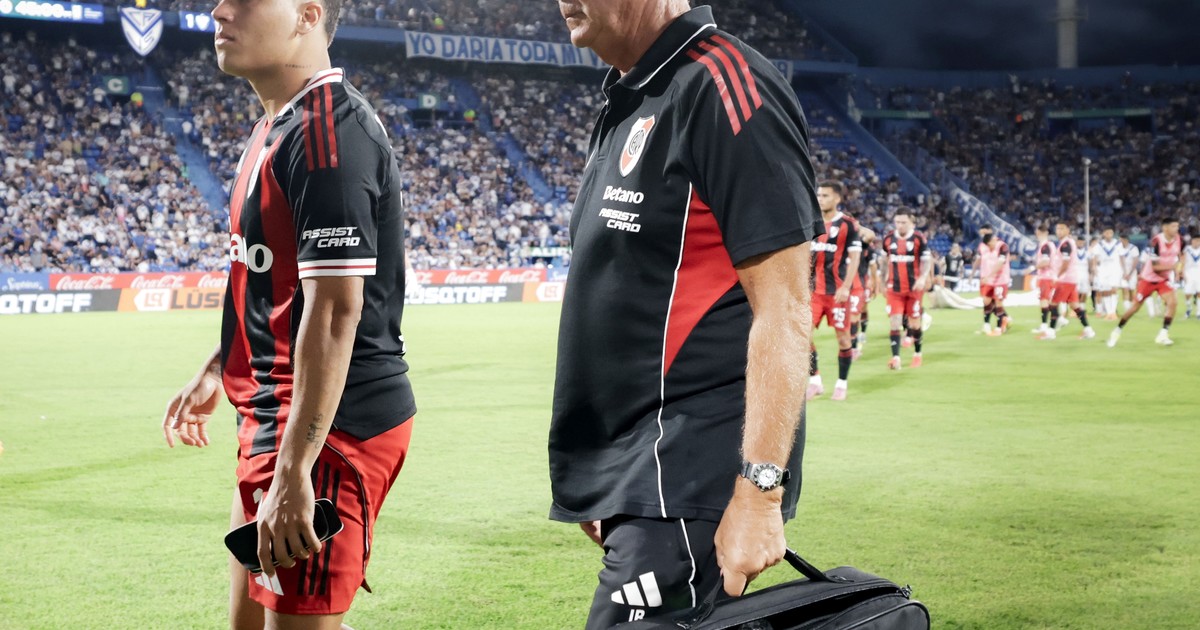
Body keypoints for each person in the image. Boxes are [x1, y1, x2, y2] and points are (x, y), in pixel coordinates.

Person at [548, 2, 821, 627]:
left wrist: (760, 493)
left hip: (689, 472)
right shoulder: (632, 92)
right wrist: (607, 476)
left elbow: (784, 308)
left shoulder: (725, 86)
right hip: (638, 474)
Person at [160, 0, 417, 627]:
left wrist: (297, 467)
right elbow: (267, 279)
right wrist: (219, 366)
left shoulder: (330, 135)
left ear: (307, 15)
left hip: (330, 432)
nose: (219, 11)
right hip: (274, 419)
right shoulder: (277, 126)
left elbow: (334, 312)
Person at [807, 181, 862, 401]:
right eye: (819, 195)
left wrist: (846, 287)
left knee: (843, 339)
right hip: (813, 293)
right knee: (803, 337)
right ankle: (815, 380)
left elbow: (855, 257)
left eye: (825, 196)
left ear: (837, 198)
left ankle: (841, 383)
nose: (820, 199)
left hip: (837, 293)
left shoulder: (848, 225)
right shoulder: (811, 220)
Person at [1108, 218, 1184, 347]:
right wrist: (1173, 267)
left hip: (1163, 279)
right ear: (1165, 228)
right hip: (1148, 278)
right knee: (1134, 308)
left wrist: (1180, 267)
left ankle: (1163, 334)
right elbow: (1155, 268)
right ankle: (1117, 330)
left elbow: (1182, 254)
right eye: (1173, 226)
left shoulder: (1179, 239)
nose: (1176, 229)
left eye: (1177, 226)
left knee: (1173, 302)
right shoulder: (1156, 241)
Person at [880, 209, 931, 369]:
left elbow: (926, 261)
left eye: (904, 222)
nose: (900, 225)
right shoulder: (888, 238)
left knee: (915, 324)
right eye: (897, 222)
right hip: (894, 289)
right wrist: (881, 282)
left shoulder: (918, 238)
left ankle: (917, 354)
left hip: (913, 289)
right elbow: (884, 261)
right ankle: (896, 358)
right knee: (894, 323)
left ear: (911, 223)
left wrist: (922, 278)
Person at [1040, 222, 1094, 340]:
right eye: (1057, 229)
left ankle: (1051, 331)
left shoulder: (1066, 244)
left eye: (1062, 229)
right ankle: (1088, 330)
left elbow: (1065, 263)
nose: (1059, 231)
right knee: (1075, 306)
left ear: (1068, 230)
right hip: (1071, 279)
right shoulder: (1067, 243)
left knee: (1053, 305)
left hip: (1065, 279)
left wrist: (1056, 276)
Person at [977, 226, 1011, 336]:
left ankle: (998, 328)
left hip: (1000, 280)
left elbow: (1000, 263)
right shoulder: (983, 246)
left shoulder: (1003, 246)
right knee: (986, 301)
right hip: (988, 280)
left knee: (998, 303)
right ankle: (990, 324)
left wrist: (988, 276)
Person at [1091, 228, 1124, 320]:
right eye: (1107, 233)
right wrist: (1094, 267)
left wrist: (1123, 269)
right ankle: (1109, 313)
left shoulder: (1118, 243)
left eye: (1110, 233)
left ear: (1113, 233)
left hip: (1115, 269)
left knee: (1114, 289)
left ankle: (1113, 312)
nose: (1109, 234)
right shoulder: (1099, 244)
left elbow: (1121, 257)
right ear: (1103, 234)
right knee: (1105, 291)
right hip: (1103, 270)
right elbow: (1095, 256)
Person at [1120, 235, 1140, 312]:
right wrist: (1124, 272)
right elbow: (1120, 260)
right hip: (1122, 272)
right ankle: (1127, 309)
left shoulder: (1134, 248)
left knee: (1132, 290)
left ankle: (1131, 308)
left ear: (1126, 240)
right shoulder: (1119, 248)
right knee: (1125, 289)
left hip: (1132, 271)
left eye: (1121, 240)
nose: (1120, 242)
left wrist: (1130, 273)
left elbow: (1135, 261)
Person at [1184, 234, 1200, 319]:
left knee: (1199, 292)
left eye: (1199, 241)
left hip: (1198, 272)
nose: (1197, 242)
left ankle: (1199, 312)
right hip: (1188, 273)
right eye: (1196, 240)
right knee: (1187, 293)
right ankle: (1189, 308)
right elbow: (1182, 261)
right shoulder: (1187, 249)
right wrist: (1182, 273)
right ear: (1192, 241)